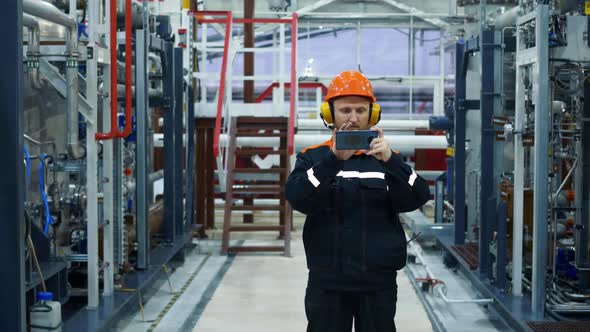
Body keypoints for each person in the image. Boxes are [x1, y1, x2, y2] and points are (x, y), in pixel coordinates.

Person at [285, 70, 431, 332]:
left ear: (372, 115)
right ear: (330, 115)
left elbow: (419, 196)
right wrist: (333, 160)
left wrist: (392, 161)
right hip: (328, 281)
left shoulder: (388, 159)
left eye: (361, 110)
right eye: (345, 110)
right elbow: (298, 198)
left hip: (377, 283)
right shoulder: (312, 157)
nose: (353, 118)